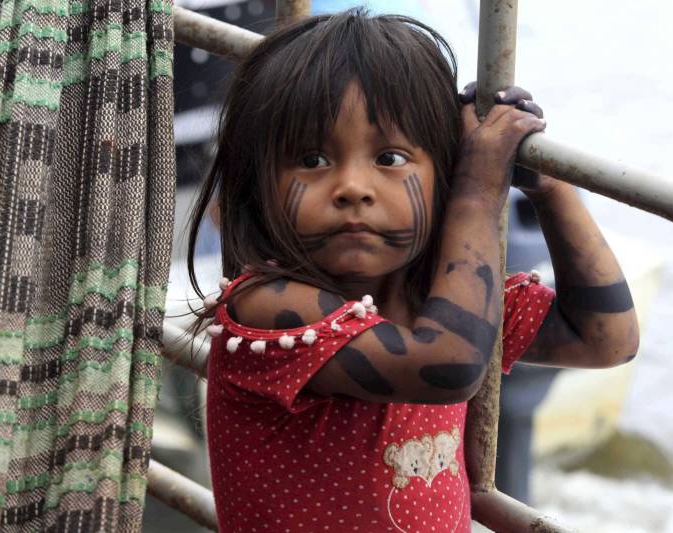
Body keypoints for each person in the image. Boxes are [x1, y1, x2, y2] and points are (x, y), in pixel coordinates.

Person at [186, 8, 639, 532]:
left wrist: (551, 189)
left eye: (391, 158)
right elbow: (449, 365)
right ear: (257, 186)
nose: (353, 187)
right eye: (311, 161)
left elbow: (605, 338)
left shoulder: (439, 300)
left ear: (440, 172)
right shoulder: (270, 306)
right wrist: (479, 190)